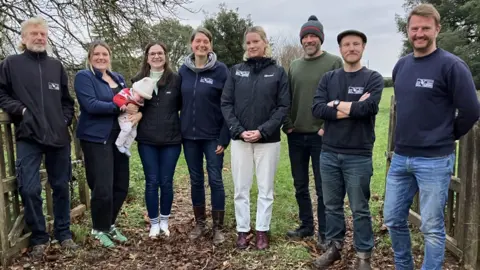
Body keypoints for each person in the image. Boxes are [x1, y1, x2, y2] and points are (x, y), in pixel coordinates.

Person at [383, 4, 480, 270]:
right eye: (415, 28)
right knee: (392, 218)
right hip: (401, 158)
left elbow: (471, 110)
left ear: (437, 29)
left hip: (435, 161)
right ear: (408, 31)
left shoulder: (452, 66)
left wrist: (446, 136)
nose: (420, 33)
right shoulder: (401, 66)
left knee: (432, 227)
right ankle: (404, 266)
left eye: (426, 28)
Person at [0, 16, 77, 259]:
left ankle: (64, 233)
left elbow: (67, 101)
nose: (39, 37)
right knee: (30, 188)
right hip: (29, 136)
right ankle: (40, 237)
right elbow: (1, 95)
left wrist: (64, 120)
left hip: (58, 138)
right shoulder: (11, 64)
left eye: (43, 34)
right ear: (23, 38)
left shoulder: (56, 66)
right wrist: (21, 111)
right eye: (34, 33)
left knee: (61, 187)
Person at [311, 30, 384, 269]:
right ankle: (335, 247)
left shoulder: (373, 78)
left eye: (356, 44)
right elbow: (318, 109)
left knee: (360, 208)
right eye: (346, 44)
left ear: (363, 47)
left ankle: (364, 256)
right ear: (340, 49)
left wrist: (335, 106)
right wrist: (351, 108)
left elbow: (369, 108)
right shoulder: (329, 78)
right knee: (331, 205)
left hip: (358, 155)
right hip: (329, 152)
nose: (351, 48)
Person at [221, 26, 290, 250]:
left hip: (267, 141)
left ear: (264, 42)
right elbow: (226, 103)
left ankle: (262, 230)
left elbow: (283, 106)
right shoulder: (235, 71)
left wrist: (263, 130)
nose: (252, 46)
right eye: (248, 43)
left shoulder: (278, 72)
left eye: (256, 42)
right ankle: (243, 230)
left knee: (265, 188)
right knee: (241, 188)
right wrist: (239, 130)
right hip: (240, 140)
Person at [283, 15, 343, 250]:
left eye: (313, 36)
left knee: (322, 187)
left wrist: (326, 127)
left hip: (321, 136)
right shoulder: (295, 65)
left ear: (320, 39)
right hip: (296, 134)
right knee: (300, 185)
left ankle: (325, 232)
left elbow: (341, 96)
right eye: (306, 36)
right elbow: (286, 97)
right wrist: (287, 123)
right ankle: (306, 225)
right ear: (302, 40)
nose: (309, 40)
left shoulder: (334, 63)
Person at [74, 40, 142, 247]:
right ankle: (98, 228)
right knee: (102, 187)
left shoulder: (118, 79)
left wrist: (137, 112)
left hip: (118, 139)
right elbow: (91, 105)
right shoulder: (84, 77)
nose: (101, 57)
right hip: (96, 138)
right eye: (97, 54)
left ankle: (109, 224)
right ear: (90, 57)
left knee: (120, 186)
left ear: (109, 57)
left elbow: (133, 102)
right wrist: (121, 108)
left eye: (105, 54)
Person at [178, 27, 230, 245]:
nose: (201, 45)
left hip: (213, 136)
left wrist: (223, 137)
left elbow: (228, 105)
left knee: (215, 179)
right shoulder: (183, 71)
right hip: (189, 137)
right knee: (196, 179)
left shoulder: (220, 71)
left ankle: (218, 226)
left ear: (210, 45)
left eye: (205, 41)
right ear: (192, 44)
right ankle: (200, 223)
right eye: (197, 41)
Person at [132, 42, 182, 239]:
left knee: (166, 181)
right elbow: (134, 106)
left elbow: (182, 106)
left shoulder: (176, 80)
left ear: (165, 56)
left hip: (171, 139)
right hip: (147, 140)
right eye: (152, 53)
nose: (156, 56)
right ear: (147, 57)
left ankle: (164, 221)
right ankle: (153, 223)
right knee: (152, 181)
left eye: (160, 53)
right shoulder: (137, 80)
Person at [113, 77, 155, 157]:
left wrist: (139, 113)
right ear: (135, 90)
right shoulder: (126, 93)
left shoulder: (140, 100)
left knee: (133, 133)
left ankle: (126, 146)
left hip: (133, 118)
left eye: (143, 98)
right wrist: (122, 104)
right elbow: (116, 98)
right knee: (127, 129)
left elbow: (143, 108)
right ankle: (119, 144)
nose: (141, 99)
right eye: (140, 96)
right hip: (124, 116)